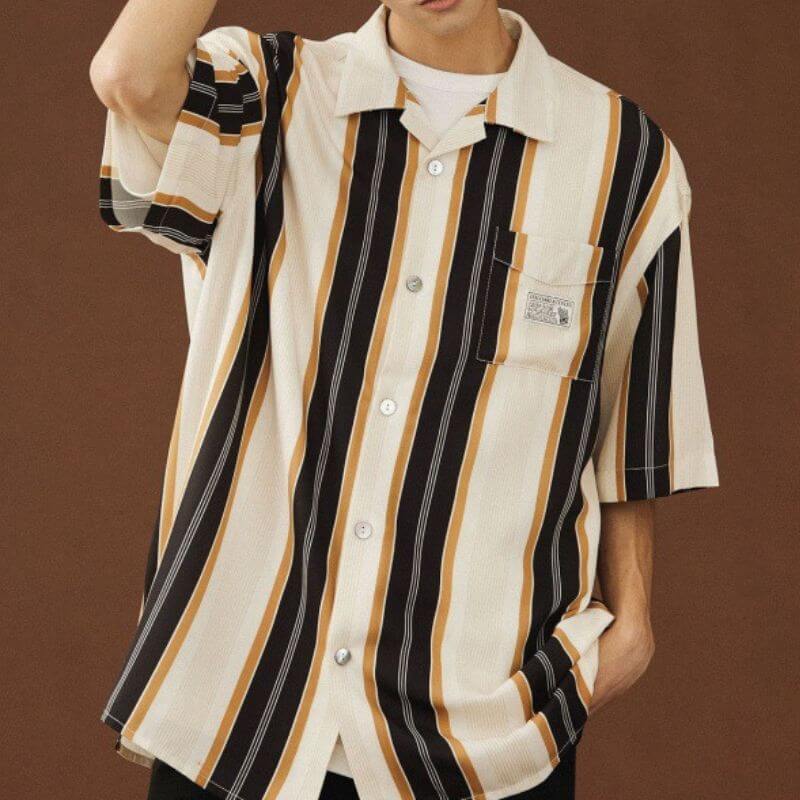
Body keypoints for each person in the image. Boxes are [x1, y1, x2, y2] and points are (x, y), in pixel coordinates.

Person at [89, 1, 719, 798]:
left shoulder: (624, 157)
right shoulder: (266, 95)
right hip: (242, 712)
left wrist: (630, 627)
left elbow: (631, 428)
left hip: (480, 740)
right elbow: (129, 77)